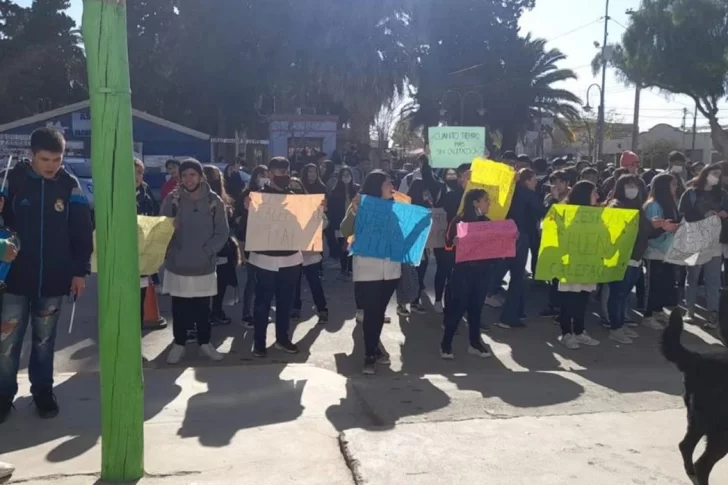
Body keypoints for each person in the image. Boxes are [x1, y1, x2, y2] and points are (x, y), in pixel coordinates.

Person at [0, 127, 93, 422]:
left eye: (57, 159)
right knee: (7, 343)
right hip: (13, 280)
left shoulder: (70, 185)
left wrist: (80, 272)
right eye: (45, 159)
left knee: (44, 342)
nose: (52, 166)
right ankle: (3, 396)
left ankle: (42, 393)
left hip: (53, 281)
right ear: (31, 156)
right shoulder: (11, 180)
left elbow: (81, 232)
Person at [162, 159, 229, 364]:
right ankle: (179, 344)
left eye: (192, 174)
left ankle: (205, 344)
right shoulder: (172, 199)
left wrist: (208, 250)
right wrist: (172, 250)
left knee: (203, 308)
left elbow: (222, 231)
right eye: (184, 175)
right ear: (180, 178)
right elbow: (162, 229)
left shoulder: (213, 200)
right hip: (179, 265)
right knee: (180, 307)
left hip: (204, 265)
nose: (188, 179)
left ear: (200, 176)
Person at [340, 170, 401, 375]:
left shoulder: (397, 205)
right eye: (387, 183)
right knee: (372, 312)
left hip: (391, 268)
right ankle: (369, 355)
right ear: (377, 186)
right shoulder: (361, 204)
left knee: (379, 312)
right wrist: (355, 211)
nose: (391, 186)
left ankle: (373, 346)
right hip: (367, 267)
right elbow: (345, 229)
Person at [247, 157, 303, 357]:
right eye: (279, 172)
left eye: (286, 171)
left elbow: (310, 224)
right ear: (269, 174)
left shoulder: (297, 197)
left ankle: (282, 338)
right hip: (264, 259)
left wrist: (318, 211)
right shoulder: (257, 197)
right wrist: (246, 209)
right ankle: (259, 342)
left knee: (285, 302)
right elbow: (243, 224)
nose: (284, 176)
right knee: (262, 302)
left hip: (291, 257)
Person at [440, 189, 493, 360]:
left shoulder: (487, 222)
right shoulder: (459, 220)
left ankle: (475, 343)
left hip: (482, 272)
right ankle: (446, 344)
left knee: (476, 309)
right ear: (475, 203)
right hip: (463, 272)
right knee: (457, 308)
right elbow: (447, 244)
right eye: (486, 200)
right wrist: (454, 243)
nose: (489, 203)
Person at [495, 164, 548, 329]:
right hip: (520, 236)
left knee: (509, 273)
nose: (536, 183)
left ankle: (517, 312)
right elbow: (543, 212)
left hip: (507, 234)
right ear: (527, 181)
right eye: (534, 180)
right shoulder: (527, 194)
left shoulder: (510, 191)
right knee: (517, 277)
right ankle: (510, 316)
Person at [605, 175, 654, 344]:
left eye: (635, 186)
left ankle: (620, 323)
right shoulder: (615, 206)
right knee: (617, 294)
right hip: (621, 259)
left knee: (624, 295)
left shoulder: (639, 208)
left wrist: (661, 227)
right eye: (628, 185)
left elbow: (647, 232)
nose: (632, 189)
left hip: (636, 259)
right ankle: (615, 328)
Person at [678, 163, 728, 328]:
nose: (716, 177)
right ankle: (690, 310)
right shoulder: (691, 193)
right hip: (695, 241)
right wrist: (703, 215)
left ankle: (713, 314)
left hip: (714, 242)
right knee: (692, 277)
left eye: (719, 175)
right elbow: (684, 214)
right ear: (705, 173)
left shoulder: (722, 194)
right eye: (714, 173)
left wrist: (722, 215)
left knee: (713, 279)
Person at [557, 181, 601, 349]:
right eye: (594, 193)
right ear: (584, 195)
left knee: (583, 297)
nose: (597, 196)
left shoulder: (596, 213)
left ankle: (580, 331)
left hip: (588, 261)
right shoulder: (566, 212)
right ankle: (566, 333)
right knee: (569, 298)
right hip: (570, 262)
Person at [643, 173, 681, 329]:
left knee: (664, 283)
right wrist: (667, 229)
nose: (676, 187)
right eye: (673, 184)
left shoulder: (671, 204)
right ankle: (648, 315)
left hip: (667, 251)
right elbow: (650, 232)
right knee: (653, 284)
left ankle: (658, 310)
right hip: (654, 251)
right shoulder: (653, 205)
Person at [203, 165, 239, 326]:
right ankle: (206, 314)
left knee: (221, 281)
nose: (213, 181)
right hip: (204, 247)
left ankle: (216, 310)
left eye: (216, 177)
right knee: (204, 283)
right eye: (209, 177)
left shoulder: (224, 200)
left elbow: (229, 225)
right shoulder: (198, 200)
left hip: (223, 248)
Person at [235, 165, 268, 328]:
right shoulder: (248, 195)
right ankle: (246, 314)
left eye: (266, 175)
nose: (263, 178)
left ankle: (259, 313)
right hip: (251, 243)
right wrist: (241, 252)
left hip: (267, 244)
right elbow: (241, 224)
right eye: (260, 175)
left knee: (263, 282)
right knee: (251, 282)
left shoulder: (271, 194)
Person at [135, 158, 165, 329]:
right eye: (132, 172)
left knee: (139, 302)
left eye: (139, 172)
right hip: (123, 259)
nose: (136, 176)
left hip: (143, 259)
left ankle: (136, 350)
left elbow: (155, 218)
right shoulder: (117, 194)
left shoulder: (146, 193)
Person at [329, 166, 359, 280]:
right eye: (344, 175)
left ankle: (350, 269)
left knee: (351, 245)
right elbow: (332, 209)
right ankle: (343, 268)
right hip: (341, 223)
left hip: (354, 222)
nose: (346, 177)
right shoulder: (335, 191)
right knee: (343, 246)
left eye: (348, 175)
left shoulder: (356, 190)